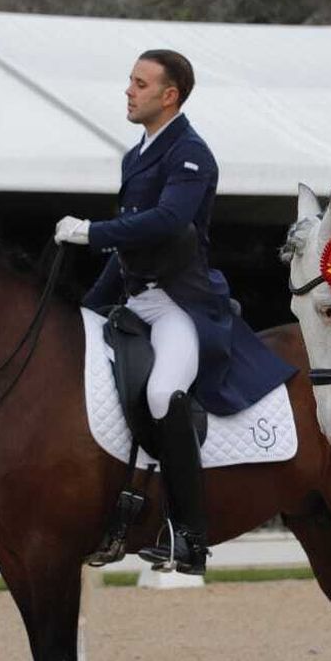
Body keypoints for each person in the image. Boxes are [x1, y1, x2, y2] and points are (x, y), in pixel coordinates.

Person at [54, 49, 295, 577]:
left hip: (181, 305)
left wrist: (92, 232)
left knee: (165, 392)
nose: (128, 91)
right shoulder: (135, 154)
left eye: (140, 84)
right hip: (136, 302)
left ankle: (189, 533)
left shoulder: (191, 154)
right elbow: (128, 256)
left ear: (170, 95)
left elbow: (167, 222)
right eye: (129, 81)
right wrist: (84, 311)